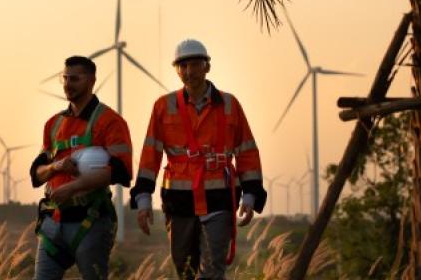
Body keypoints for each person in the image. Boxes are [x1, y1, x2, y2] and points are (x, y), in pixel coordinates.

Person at [130, 39, 267, 280]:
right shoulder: (163, 106)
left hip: (219, 198)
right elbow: (150, 153)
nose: (189, 71)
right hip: (179, 201)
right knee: (185, 268)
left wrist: (251, 193)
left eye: (195, 64)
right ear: (176, 70)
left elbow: (246, 150)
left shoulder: (229, 104)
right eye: (183, 66)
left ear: (207, 67)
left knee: (212, 270)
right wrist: (142, 197)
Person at [30, 56, 133, 280]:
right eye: (65, 78)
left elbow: (121, 171)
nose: (68, 84)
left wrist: (74, 187)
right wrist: (56, 166)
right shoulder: (54, 124)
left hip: (91, 221)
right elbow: (36, 174)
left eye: (75, 79)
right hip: (53, 222)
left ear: (91, 80)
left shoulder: (110, 122)